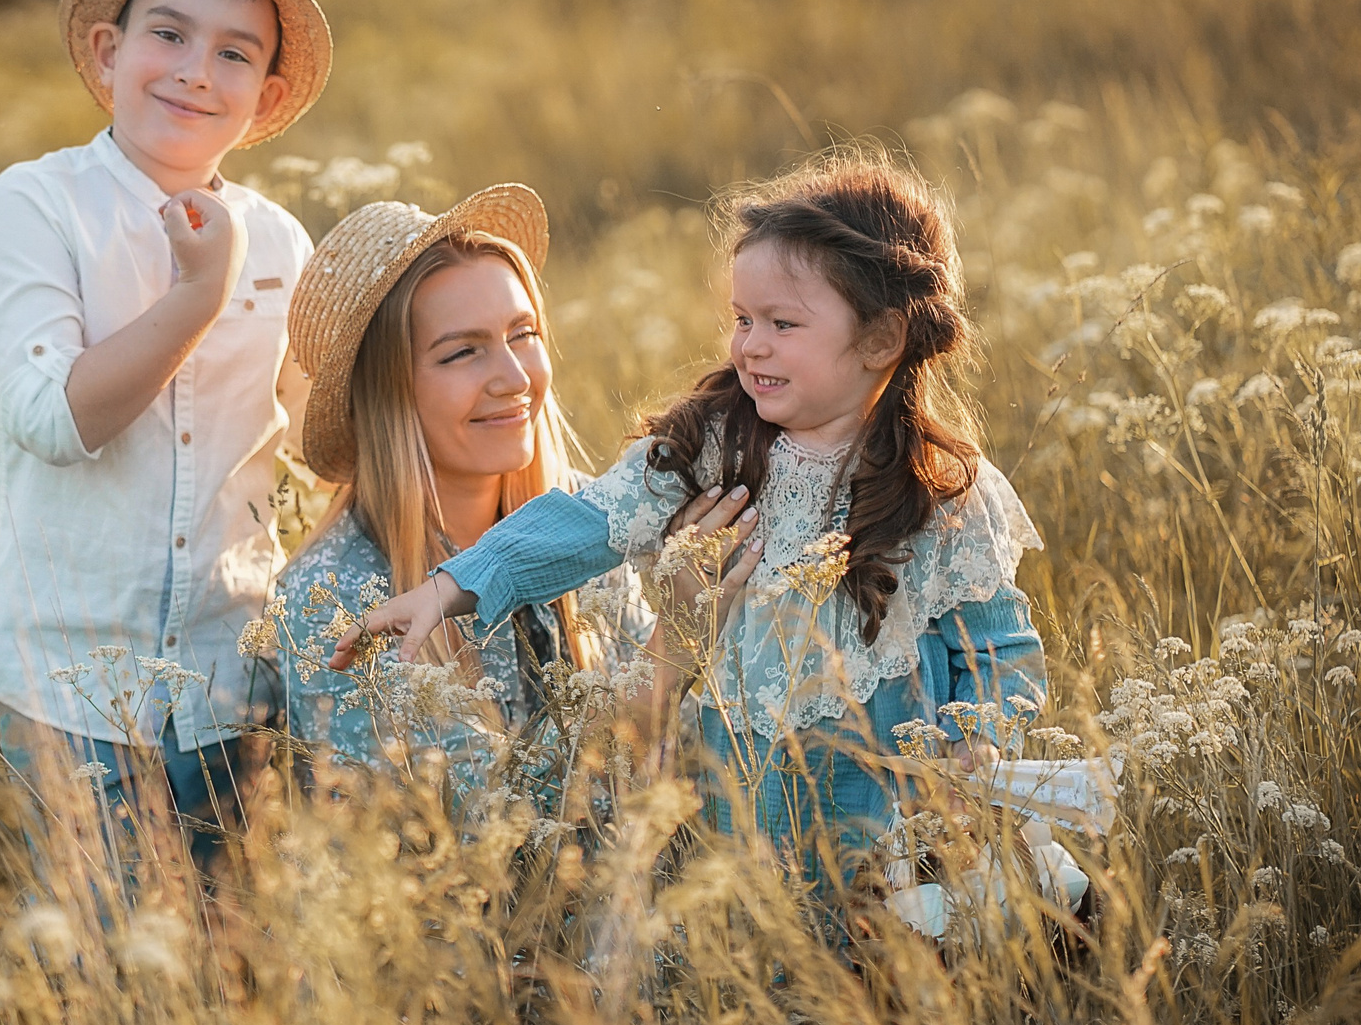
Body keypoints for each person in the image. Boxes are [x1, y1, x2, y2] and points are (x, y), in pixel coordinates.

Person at [340, 151, 1045, 897]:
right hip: (732, 801)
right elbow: (584, 522)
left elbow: (999, 647)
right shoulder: (714, 447)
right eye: (742, 319)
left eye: (782, 322)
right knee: (752, 943)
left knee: (866, 952)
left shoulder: (944, 492)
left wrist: (978, 748)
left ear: (880, 340)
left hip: (884, 816)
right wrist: (452, 585)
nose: (750, 345)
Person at [0, 0, 332, 878]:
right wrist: (197, 298)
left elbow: (315, 443)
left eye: (234, 54)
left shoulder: (282, 241)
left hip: (228, 668)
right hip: (73, 678)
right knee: (119, 966)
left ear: (266, 91)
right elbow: (50, 421)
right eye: (168, 35)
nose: (194, 71)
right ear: (106, 50)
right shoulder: (38, 204)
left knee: (222, 949)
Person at [267, 186, 650, 821]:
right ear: (388, 395)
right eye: (462, 352)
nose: (515, 378)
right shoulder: (336, 599)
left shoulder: (586, 514)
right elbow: (481, 852)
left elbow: (684, 779)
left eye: (522, 333)